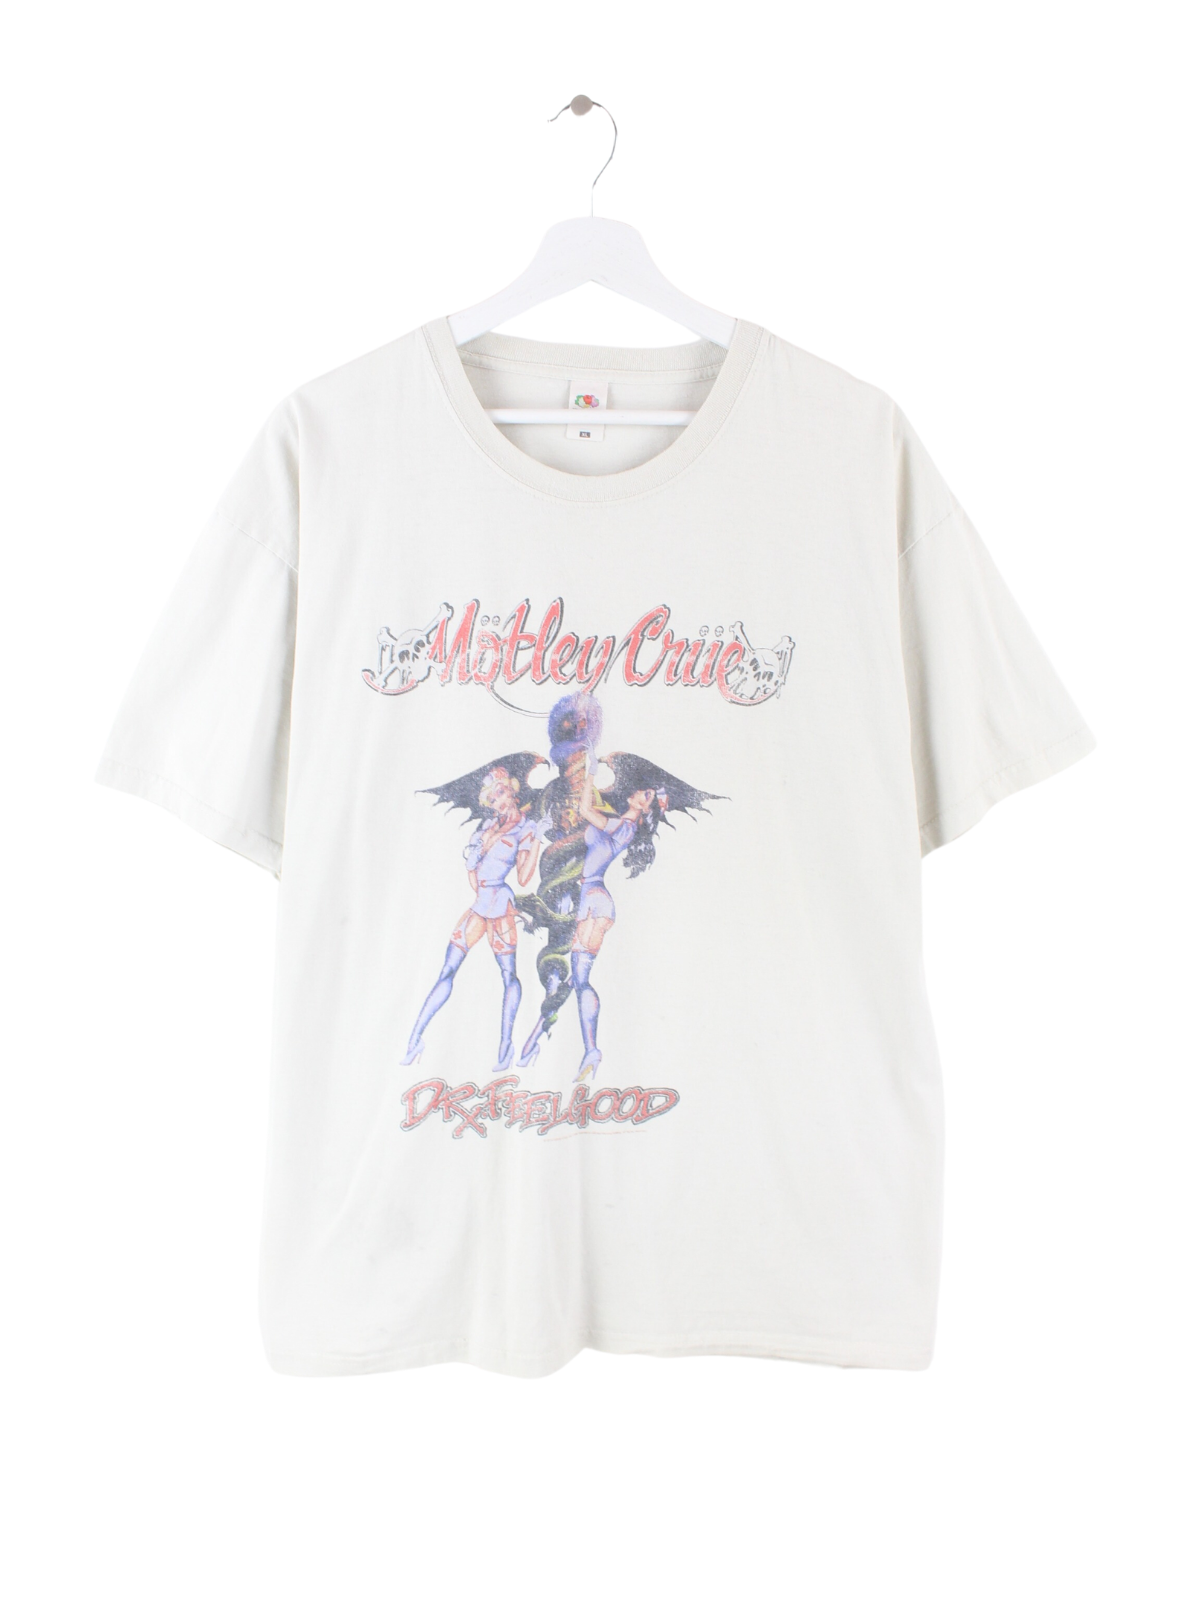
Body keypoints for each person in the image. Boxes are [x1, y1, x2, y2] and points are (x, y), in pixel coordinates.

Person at [401, 766, 542, 1072]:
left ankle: (505, 1045)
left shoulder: (525, 828)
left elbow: (524, 876)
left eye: (500, 793)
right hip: (480, 904)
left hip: (500, 905)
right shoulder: (487, 827)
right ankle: (414, 1038)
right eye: (491, 798)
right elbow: (474, 877)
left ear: (513, 790)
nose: (497, 801)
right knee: (447, 969)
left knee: (508, 975)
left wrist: (536, 841)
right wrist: (476, 859)